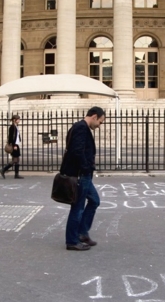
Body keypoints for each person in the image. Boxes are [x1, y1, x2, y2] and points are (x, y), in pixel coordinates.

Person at [62, 106, 106, 251]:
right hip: (80, 174)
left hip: (83, 174)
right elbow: (77, 151)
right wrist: (86, 167)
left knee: (94, 201)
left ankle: (82, 233)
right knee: (78, 207)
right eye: (100, 122)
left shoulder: (81, 127)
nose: (100, 125)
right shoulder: (81, 128)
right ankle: (72, 241)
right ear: (94, 116)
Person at [0, 114, 23, 179]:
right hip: (14, 145)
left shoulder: (16, 126)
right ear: (14, 120)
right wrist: (14, 145)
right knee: (15, 159)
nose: (19, 120)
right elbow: (10, 137)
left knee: (17, 159)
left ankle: (16, 174)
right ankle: (3, 169)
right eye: (18, 119)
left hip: (16, 144)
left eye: (19, 119)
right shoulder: (12, 127)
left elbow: (16, 137)